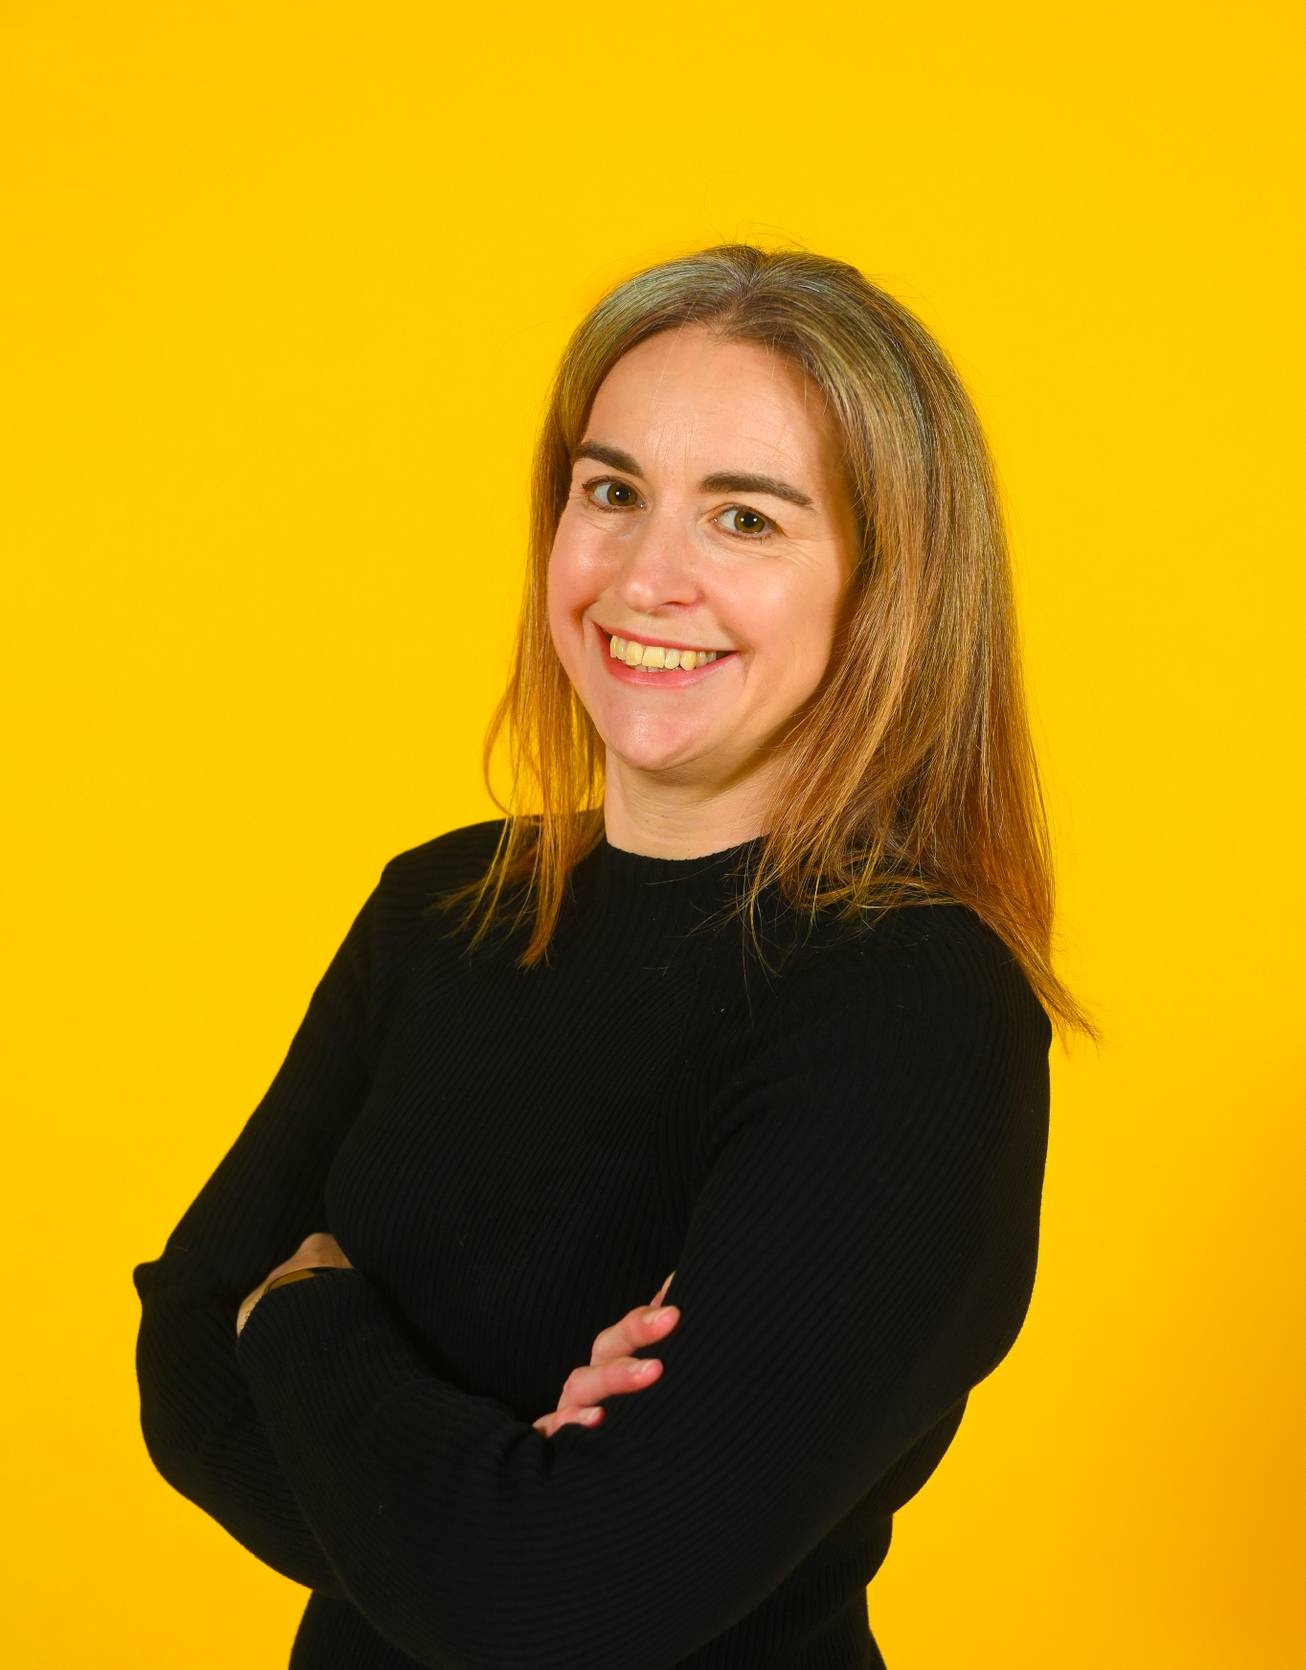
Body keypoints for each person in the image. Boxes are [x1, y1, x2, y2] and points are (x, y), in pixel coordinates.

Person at [132, 243, 1099, 1670]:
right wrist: (502, 1506)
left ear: (886, 585)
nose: (648, 578)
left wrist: (303, 1312)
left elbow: (555, 1603)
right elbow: (179, 1361)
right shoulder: (442, 905)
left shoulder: (913, 1008)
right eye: (612, 492)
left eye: (746, 519)